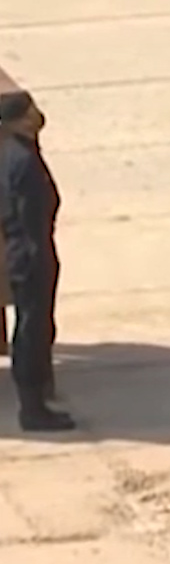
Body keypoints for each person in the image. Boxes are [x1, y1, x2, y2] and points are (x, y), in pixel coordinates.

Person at [0, 90, 72, 432]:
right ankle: (32, 408)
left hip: (27, 247)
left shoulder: (15, 152)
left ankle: (37, 402)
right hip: (29, 250)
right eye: (30, 111)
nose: (36, 115)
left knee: (36, 325)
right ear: (20, 119)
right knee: (31, 329)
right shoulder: (22, 159)